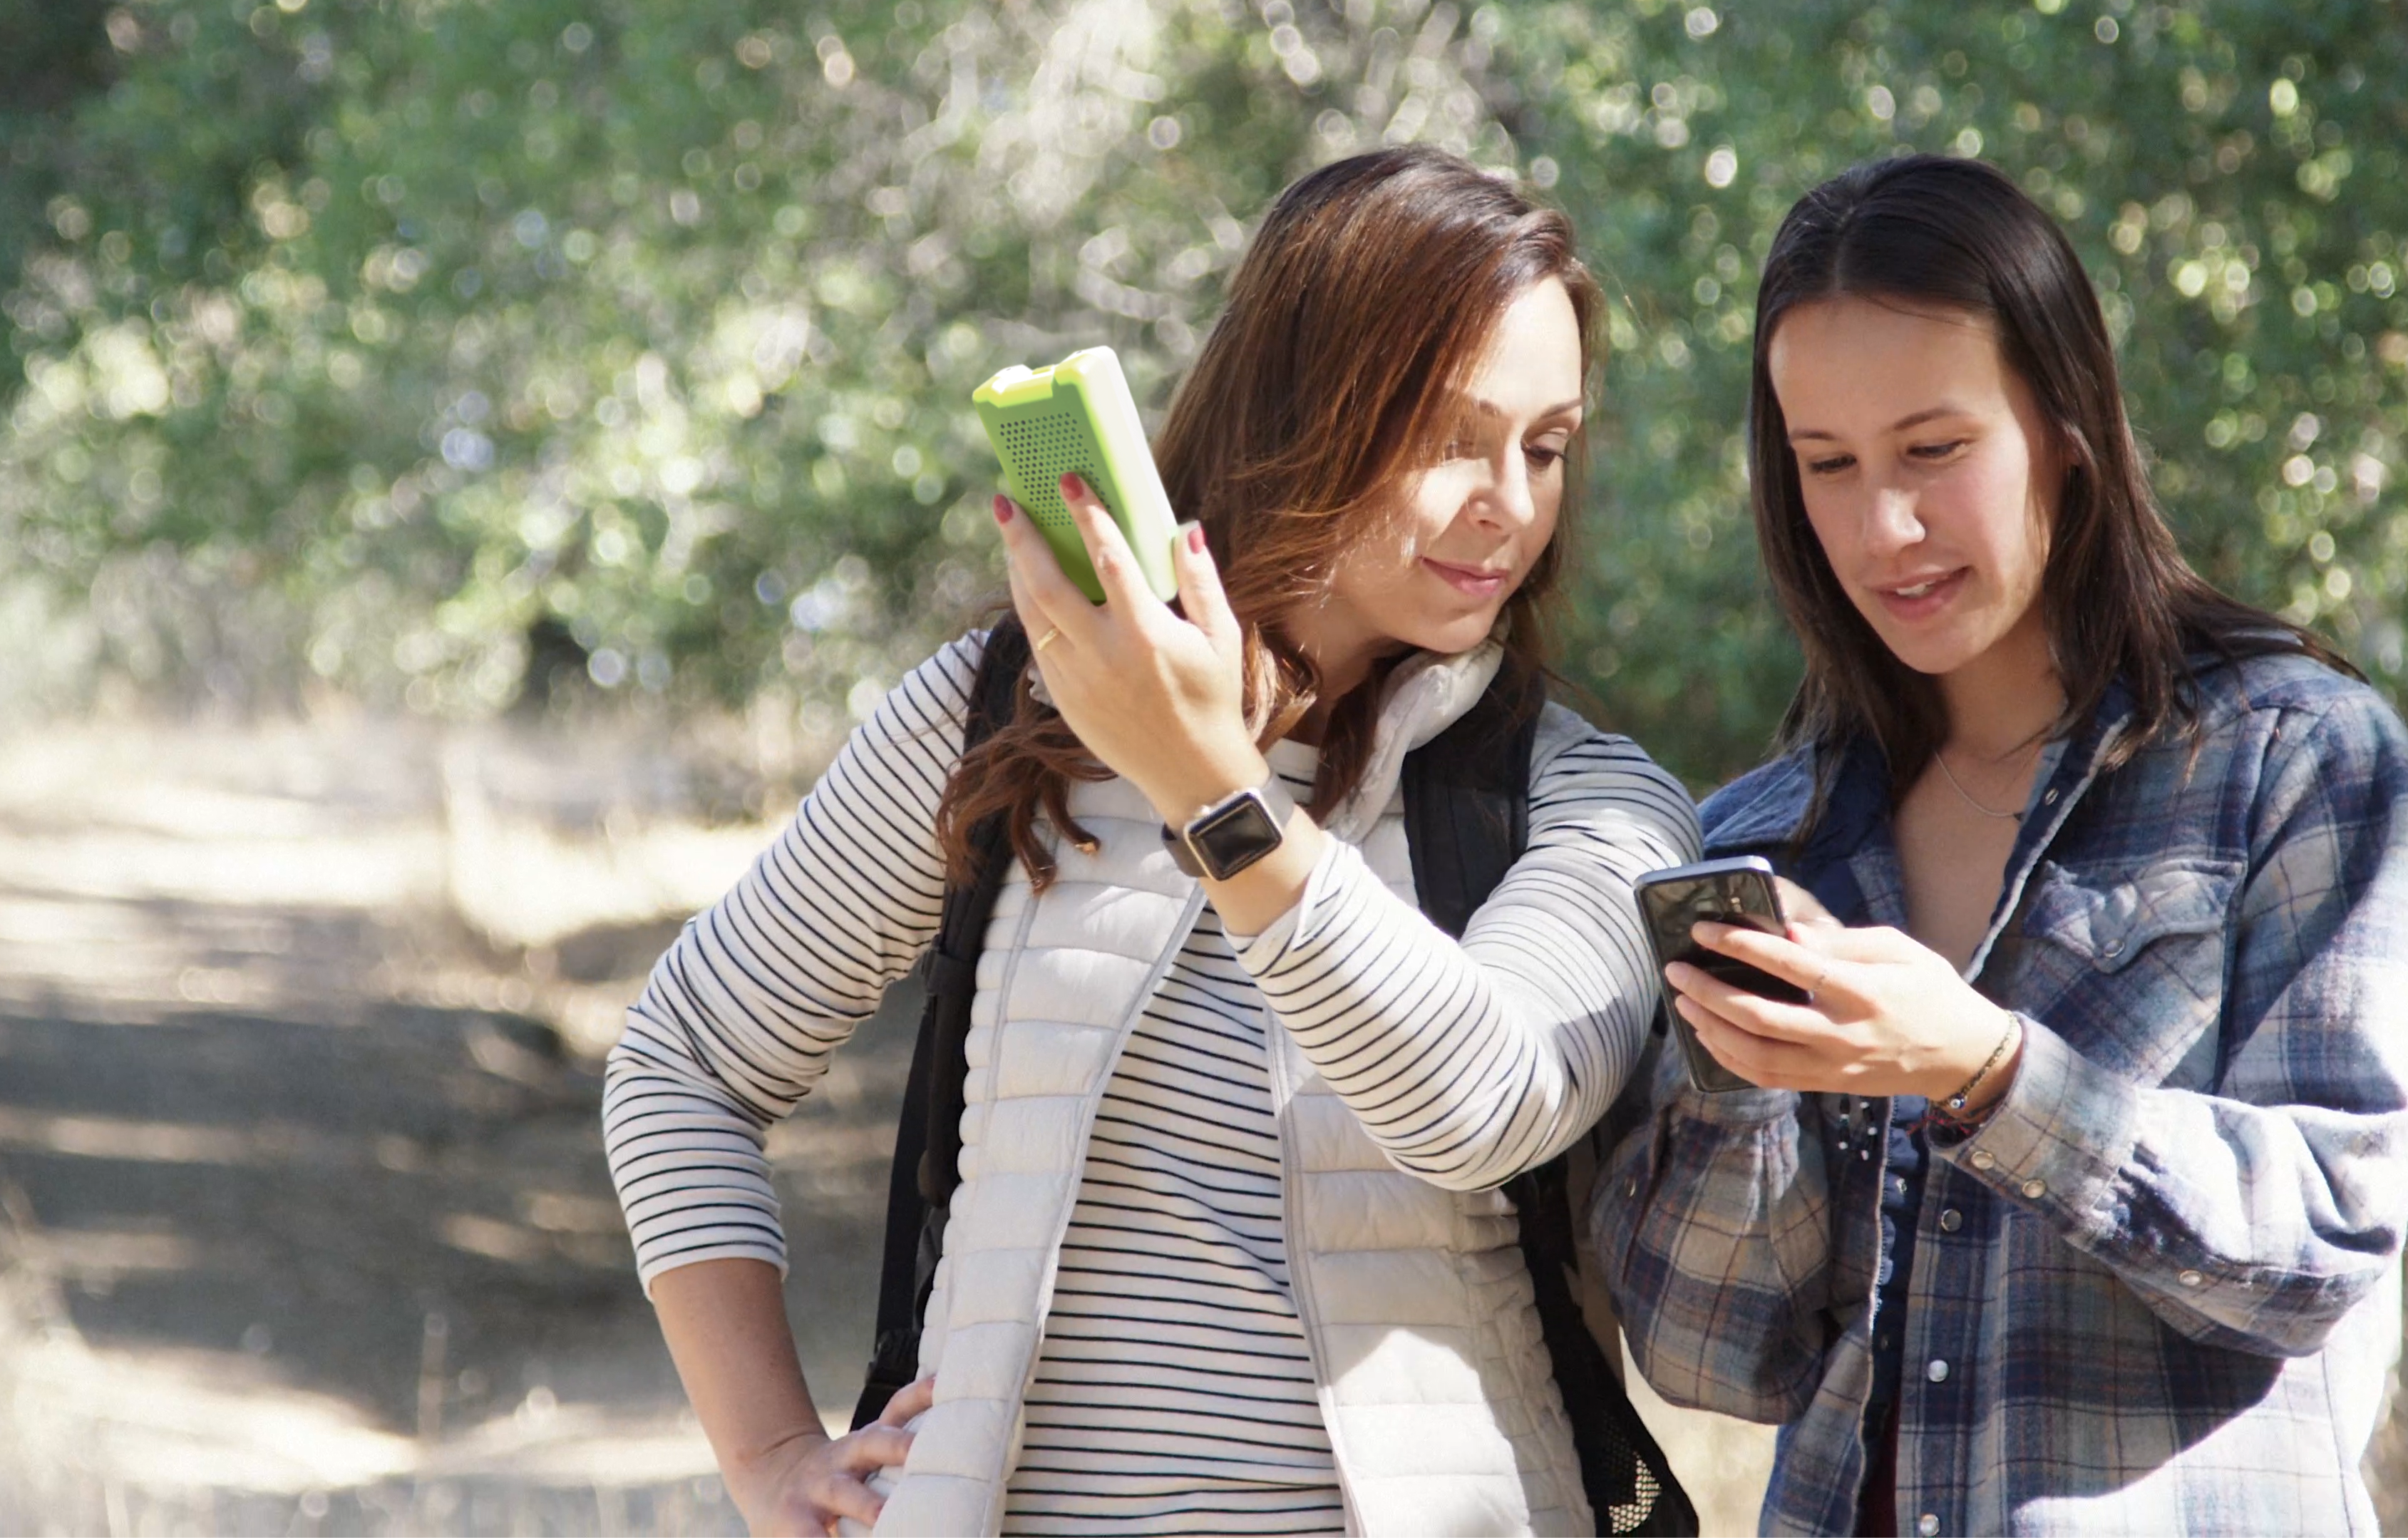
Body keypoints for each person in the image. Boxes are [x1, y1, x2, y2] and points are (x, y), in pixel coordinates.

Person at [605, 146, 1702, 1537]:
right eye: (1449, 435)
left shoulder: (1592, 801)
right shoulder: (998, 718)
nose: (1510, 502)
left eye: (1545, 447)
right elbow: (680, 1064)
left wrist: (1211, 788)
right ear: (1305, 411)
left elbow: (1481, 1106)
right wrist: (769, 1454)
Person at [1596, 152, 2408, 1538]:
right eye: (1830, 465)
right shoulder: (1766, 838)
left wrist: (1987, 1073)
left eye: (1935, 450)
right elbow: (1714, 1359)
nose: (1886, 526)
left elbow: (2326, 1242)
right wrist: (1741, 1089)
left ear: (2065, 425)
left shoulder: (2293, 759)